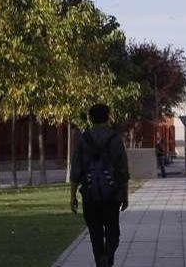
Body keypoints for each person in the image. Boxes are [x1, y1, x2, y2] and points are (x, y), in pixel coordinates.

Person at [70, 104, 129, 267]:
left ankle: (100, 262)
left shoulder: (83, 139)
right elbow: (123, 170)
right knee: (113, 232)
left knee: (95, 233)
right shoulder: (115, 139)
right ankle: (108, 256)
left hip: (89, 194)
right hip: (112, 194)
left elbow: (75, 169)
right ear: (108, 116)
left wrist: (72, 196)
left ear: (90, 118)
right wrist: (125, 195)